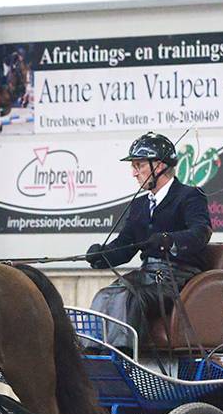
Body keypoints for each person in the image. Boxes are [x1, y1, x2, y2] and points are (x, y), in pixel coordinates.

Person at [85, 132, 212, 351]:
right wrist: (101, 255)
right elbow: (125, 246)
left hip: (177, 277)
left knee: (128, 296)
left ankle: (123, 354)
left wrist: (168, 240)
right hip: (147, 275)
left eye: (139, 165)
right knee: (104, 295)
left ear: (159, 166)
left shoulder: (189, 196)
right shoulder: (140, 205)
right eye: (133, 166)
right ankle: (94, 352)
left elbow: (200, 233)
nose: (134, 173)